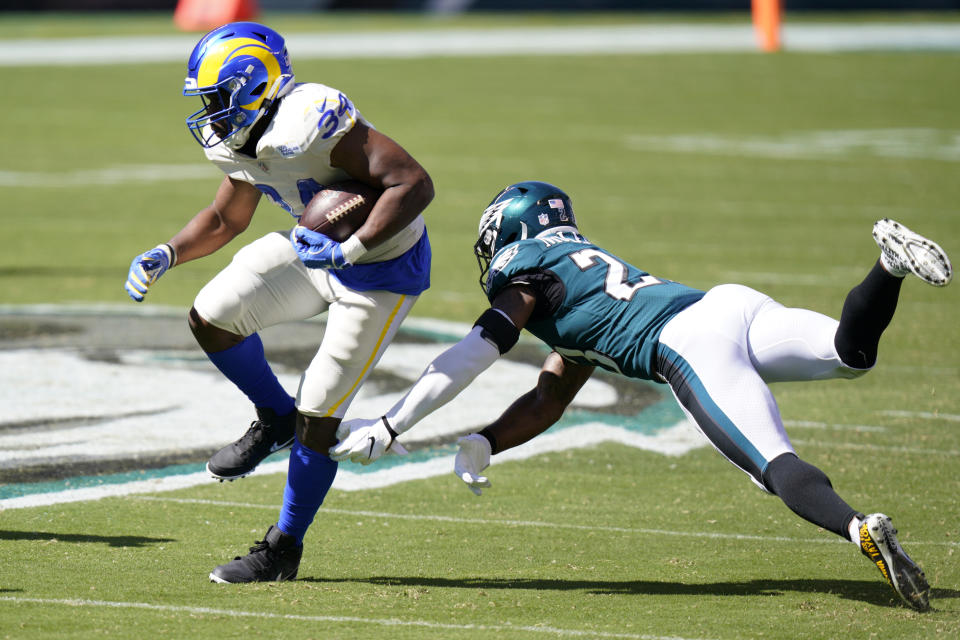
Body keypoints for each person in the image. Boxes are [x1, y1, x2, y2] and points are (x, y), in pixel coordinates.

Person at [331, 180, 952, 611]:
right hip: (725, 305)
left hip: (687, 343)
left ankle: (859, 529)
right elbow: (549, 397)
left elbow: (473, 353)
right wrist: (487, 440)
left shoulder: (527, 276)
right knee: (849, 354)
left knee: (774, 465)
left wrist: (392, 424)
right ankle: (887, 267)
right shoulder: (575, 273)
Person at [123, 22, 433, 583]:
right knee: (213, 313)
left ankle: (283, 548)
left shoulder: (308, 120)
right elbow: (226, 218)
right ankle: (273, 415)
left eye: (216, 98)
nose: (210, 114)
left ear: (252, 85)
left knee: (321, 411)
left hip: (380, 270)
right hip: (315, 252)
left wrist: (355, 246)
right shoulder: (243, 139)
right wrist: (168, 253)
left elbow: (412, 182)